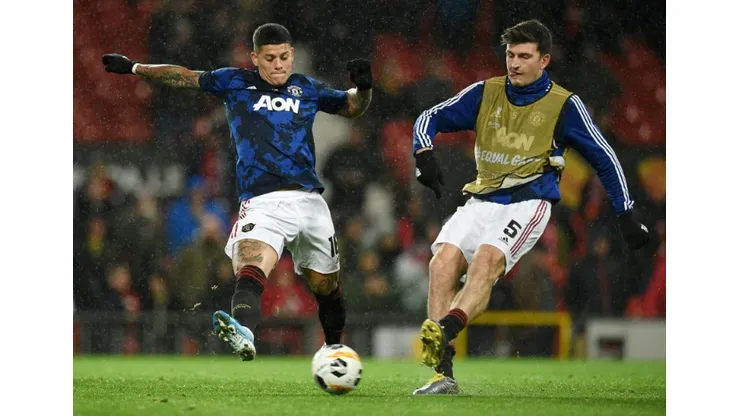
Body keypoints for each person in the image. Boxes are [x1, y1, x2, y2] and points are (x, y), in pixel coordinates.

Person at [102, 23, 373, 361]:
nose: (278, 65)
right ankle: (244, 331)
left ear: (292, 55)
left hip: (309, 201)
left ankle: (333, 350)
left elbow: (352, 106)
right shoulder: (235, 82)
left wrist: (364, 88)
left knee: (326, 286)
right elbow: (184, 76)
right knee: (251, 260)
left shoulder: (306, 88)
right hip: (262, 201)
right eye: (270, 58)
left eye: (284, 57)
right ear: (255, 58)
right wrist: (134, 68)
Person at [410, 19, 649, 394]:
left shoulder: (564, 105)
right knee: (441, 265)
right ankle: (443, 374)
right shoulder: (485, 92)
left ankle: (445, 328)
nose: (515, 63)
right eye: (510, 55)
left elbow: (604, 158)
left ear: (544, 60)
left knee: (486, 262)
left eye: (524, 56)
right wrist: (423, 152)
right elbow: (429, 117)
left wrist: (625, 213)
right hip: (482, 198)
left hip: (527, 202)